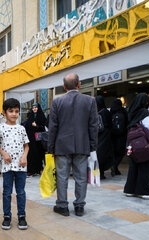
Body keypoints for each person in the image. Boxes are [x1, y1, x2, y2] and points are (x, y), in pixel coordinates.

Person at [48, 73, 98, 217]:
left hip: (61, 146)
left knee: (62, 177)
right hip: (82, 145)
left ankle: (62, 206)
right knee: (81, 177)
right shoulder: (90, 101)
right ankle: (79, 207)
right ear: (79, 84)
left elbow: (53, 127)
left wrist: (50, 148)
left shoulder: (57, 102)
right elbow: (93, 126)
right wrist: (93, 147)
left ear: (64, 87)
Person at [0, 98, 29, 230]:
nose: (14, 114)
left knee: (21, 192)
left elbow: (26, 146)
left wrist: (25, 156)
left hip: (21, 165)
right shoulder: (0, 128)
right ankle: (7, 216)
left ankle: (21, 216)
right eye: (11, 111)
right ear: (4, 112)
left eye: (16, 111)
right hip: (7, 166)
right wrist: (3, 153)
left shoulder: (21, 128)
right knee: (7, 192)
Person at [124, 93, 149, 199]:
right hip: (144, 144)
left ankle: (130, 190)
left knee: (134, 166)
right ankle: (144, 192)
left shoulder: (132, 112)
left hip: (132, 144)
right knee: (145, 166)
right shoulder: (144, 112)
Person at [24, 102, 47, 176]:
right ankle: (30, 170)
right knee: (31, 154)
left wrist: (36, 126)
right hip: (31, 139)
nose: (34, 109)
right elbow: (27, 126)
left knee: (38, 154)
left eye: (36, 107)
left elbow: (44, 127)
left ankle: (38, 169)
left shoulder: (41, 117)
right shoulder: (30, 117)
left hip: (38, 140)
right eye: (33, 107)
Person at [95, 96, 114, 179]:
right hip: (107, 136)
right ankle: (101, 173)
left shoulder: (98, 112)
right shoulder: (106, 112)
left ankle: (99, 173)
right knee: (103, 155)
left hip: (100, 136)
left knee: (99, 155)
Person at [110, 99, 128, 176]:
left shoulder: (111, 113)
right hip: (121, 137)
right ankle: (114, 166)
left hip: (112, 136)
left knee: (114, 152)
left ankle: (115, 167)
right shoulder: (123, 113)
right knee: (120, 153)